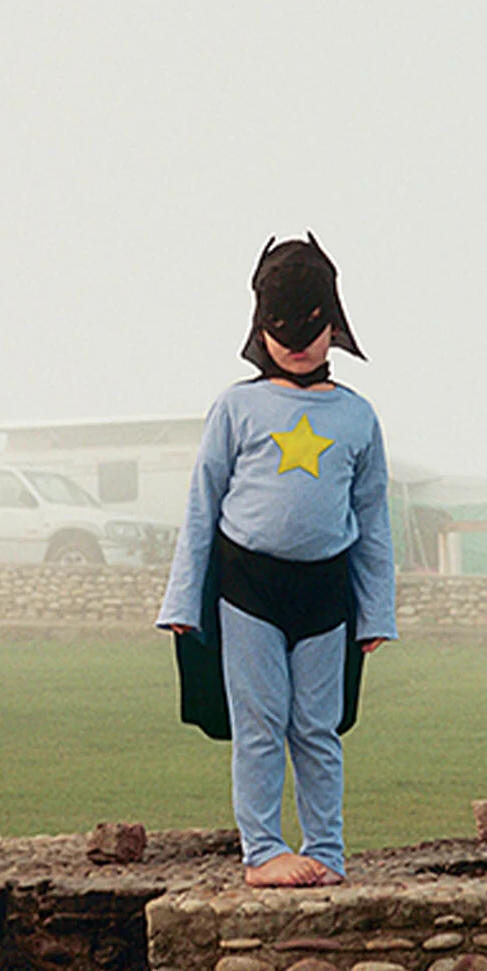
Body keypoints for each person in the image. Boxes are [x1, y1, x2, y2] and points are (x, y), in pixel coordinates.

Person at [157, 234, 396, 888]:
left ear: (335, 325)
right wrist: (181, 601)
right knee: (258, 725)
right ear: (259, 326)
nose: (296, 341)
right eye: (280, 324)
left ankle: (327, 850)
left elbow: (372, 522)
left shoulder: (357, 417)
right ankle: (262, 851)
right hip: (247, 591)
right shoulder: (235, 407)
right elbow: (201, 506)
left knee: (317, 729)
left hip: (326, 596)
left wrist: (376, 612)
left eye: (310, 324)